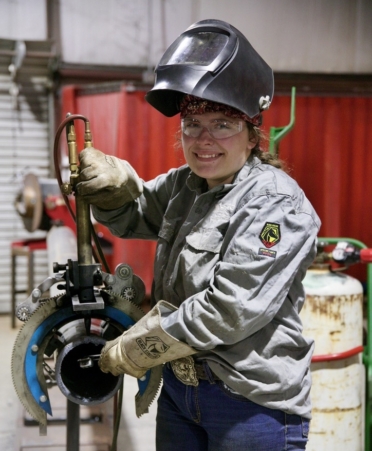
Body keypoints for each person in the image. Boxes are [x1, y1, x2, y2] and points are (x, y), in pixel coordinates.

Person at [78, 19, 320, 451]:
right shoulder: (185, 185)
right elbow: (132, 215)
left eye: (222, 124)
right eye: (193, 124)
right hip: (178, 391)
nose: (204, 140)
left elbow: (229, 309)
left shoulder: (276, 205)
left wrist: (142, 346)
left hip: (249, 405)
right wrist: (116, 184)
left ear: (251, 134)